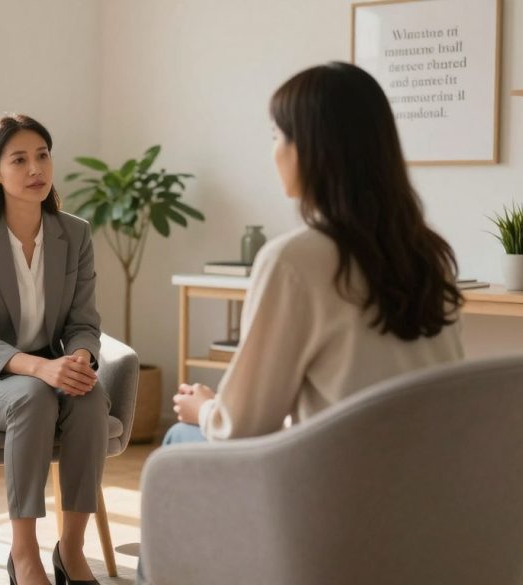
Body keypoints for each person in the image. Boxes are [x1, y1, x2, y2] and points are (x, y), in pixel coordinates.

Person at [137, 61, 465, 582]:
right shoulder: (427, 254)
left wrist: (204, 410)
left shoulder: (297, 259)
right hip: (427, 501)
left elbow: (244, 427)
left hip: (332, 502)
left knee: (177, 443)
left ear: (309, 149)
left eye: (276, 135)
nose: (273, 152)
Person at [0, 114, 108, 585]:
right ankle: (24, 553)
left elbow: (83, 322)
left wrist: (78, 360)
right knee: (31, 396)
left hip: (48, 370)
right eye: (19, 159)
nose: (36, 169)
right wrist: (41, 370)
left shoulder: (74, 234)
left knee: (91, 395)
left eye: (43, 155)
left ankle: (71, 549)